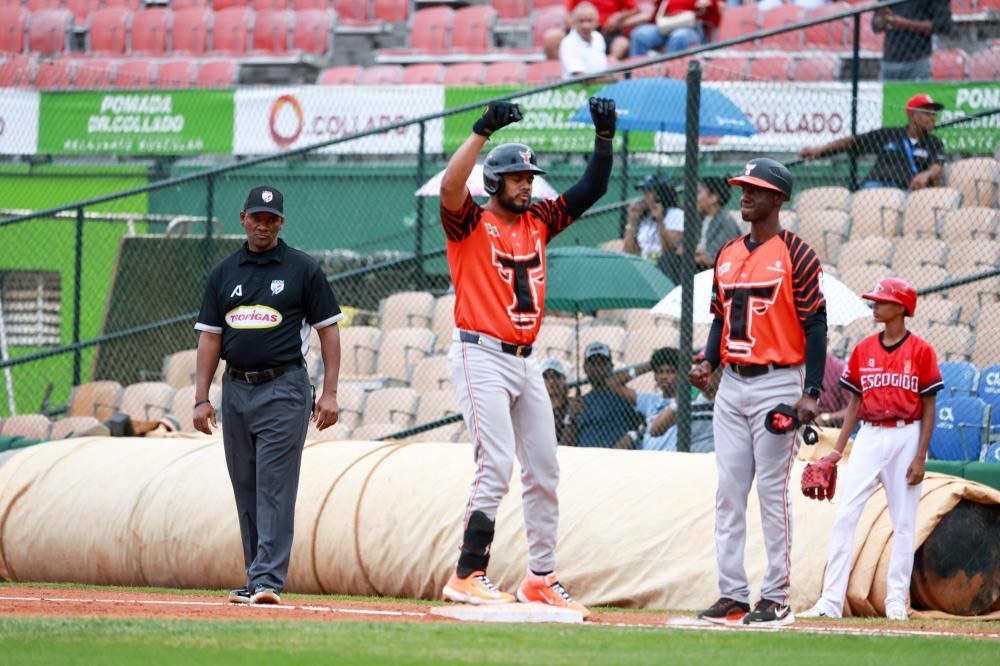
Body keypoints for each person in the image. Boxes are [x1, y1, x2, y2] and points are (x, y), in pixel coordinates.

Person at [438, 98, 617, 615]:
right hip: (479, 353)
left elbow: (592, 188)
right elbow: (450, 187)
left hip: (524, 360)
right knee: (495, 463)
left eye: (530, 177)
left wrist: (604, 139)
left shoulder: (539, 220)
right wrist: (481, 130)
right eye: (516, 177)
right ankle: (467, 572)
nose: (527, 184)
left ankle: (540, 576)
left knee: (543, 468)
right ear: (494, 181)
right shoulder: (469, 223)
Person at [690, 157, 827, 627]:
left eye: (755, 189)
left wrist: (811, 392)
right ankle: (732, 594)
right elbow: (719, 317)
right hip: (732, 383)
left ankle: (776, 597)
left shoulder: (797, 253)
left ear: (778, 198)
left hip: (777, 382)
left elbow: (816, 324)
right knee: (728, 492)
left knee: (771, 492)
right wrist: (708, 361)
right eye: (743, 187)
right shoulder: (727, 252)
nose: (744, 194)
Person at [192, 185, 343, 606]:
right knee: (245, 486)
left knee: (274, 484)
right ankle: (256, 575)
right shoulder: (224, 273)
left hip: (284, 388)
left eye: (271, 218)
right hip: (236, 388)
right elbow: (210, 338)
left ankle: (267, 580)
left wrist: (330, 392)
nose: (263, 225)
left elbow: (329, 331)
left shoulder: (302, 269)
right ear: (243, 219)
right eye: (256, 217)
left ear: (281, 222)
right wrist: (201, 397)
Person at [800, 277, 942, 621]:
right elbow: (855, 404)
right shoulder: (864, 348)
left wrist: (920, 456)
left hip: (907, 434)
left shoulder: (921, 350)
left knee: (903, 523)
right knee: (845, 516)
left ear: (901, 307)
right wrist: (837, 450)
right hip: (869, 435)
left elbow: (929, 407)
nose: (874, 305)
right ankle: (830, 601)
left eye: (881, 300)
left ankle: (895, 602)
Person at [799, 93, 946, 191]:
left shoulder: (934, 142)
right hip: (873, 186)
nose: (933, 118)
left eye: (934, 114)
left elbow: (937, 166)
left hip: (905, 191)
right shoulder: (889, 134)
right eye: (928, 113)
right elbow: (851, 142)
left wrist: (927, 175)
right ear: (913, 115)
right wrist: (819, 150)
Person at [609, 347, 682, 451]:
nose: (664, 377)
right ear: (655, 376)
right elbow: (612, 383)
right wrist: (651, 365)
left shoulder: (689, 400)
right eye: (660, 372)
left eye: (670, 372)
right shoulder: (650, 400)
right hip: (647, 457)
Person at [574, 342, 646, 448]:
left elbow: (649, 421)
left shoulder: (624, 397)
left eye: (602, 364)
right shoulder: (579, 403)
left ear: (611, 367)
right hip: (585, 456)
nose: (597, 368)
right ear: (585, 368)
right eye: (593, 364)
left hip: (617, 455)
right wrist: (569, 418)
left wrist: (632, 436)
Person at [648, 349, 721, 452]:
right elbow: (655, 430)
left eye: (709, 368)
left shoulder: (729, 400)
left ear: (721, 371)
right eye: (700, 367)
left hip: (718, 457)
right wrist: (682, 397)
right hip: (690, 458)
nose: (703, 373)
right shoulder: (689, 400)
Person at [872, 0, 952, 81]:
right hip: (889, 60)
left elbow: (943, 26)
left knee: (919, 88)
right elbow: (875, 26)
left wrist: (904, 24)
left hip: (918, 60)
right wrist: (884, 19)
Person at [544, 0, 642, 60]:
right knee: (552, 38)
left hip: (606, 31)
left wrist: (619, 16)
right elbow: (568, 14)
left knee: (622, 44)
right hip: (579, 29)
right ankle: (564, 76)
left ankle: (605, 74)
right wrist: (578, 29)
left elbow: (635, 10)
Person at [628, 0, 721, 58]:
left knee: (679, 36)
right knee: (639, 34)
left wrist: (708, 3)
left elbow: (714, 17)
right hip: (666, 25)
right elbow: (655, 16)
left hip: (690, 28)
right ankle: (639, 74)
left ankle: (671, 74)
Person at [623, 174, 684, 262]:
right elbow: (628, 252)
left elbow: (670, 249)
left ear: (661, 194)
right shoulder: (644, 218)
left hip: (664, 265)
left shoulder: (676, 214)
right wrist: (631, 221)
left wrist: (660, 221)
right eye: (645, 192)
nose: (645, 196)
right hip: (643, 264)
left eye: (649, 191)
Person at [694, 176, 742, 270]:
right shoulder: (701, 217)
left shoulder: (725, 221)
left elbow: (710, 259)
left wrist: (691, 253)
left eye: (698, 192)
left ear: (713, 198)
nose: (694, 197)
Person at [559, 3, 608, 80]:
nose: (585, 25)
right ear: (573, 22)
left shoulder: (598, 37)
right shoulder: (568, 43)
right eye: (581, 21)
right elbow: (580, 77)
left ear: (597, 22)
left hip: (601, 84)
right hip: (576, 87)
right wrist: (608, 79)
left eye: (589, 21)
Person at [541, 358, 581, 447]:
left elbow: (569, 444)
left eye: (556, 376)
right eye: (546, 377)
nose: (551, 381)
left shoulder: (573, 405)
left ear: (564, 379)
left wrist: (570, 417)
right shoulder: (538, 410)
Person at [816, 351, 852, 428]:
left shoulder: (840, 369)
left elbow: (855, 410)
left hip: (830, 429)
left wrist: (826, 418)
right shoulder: (795, 366)